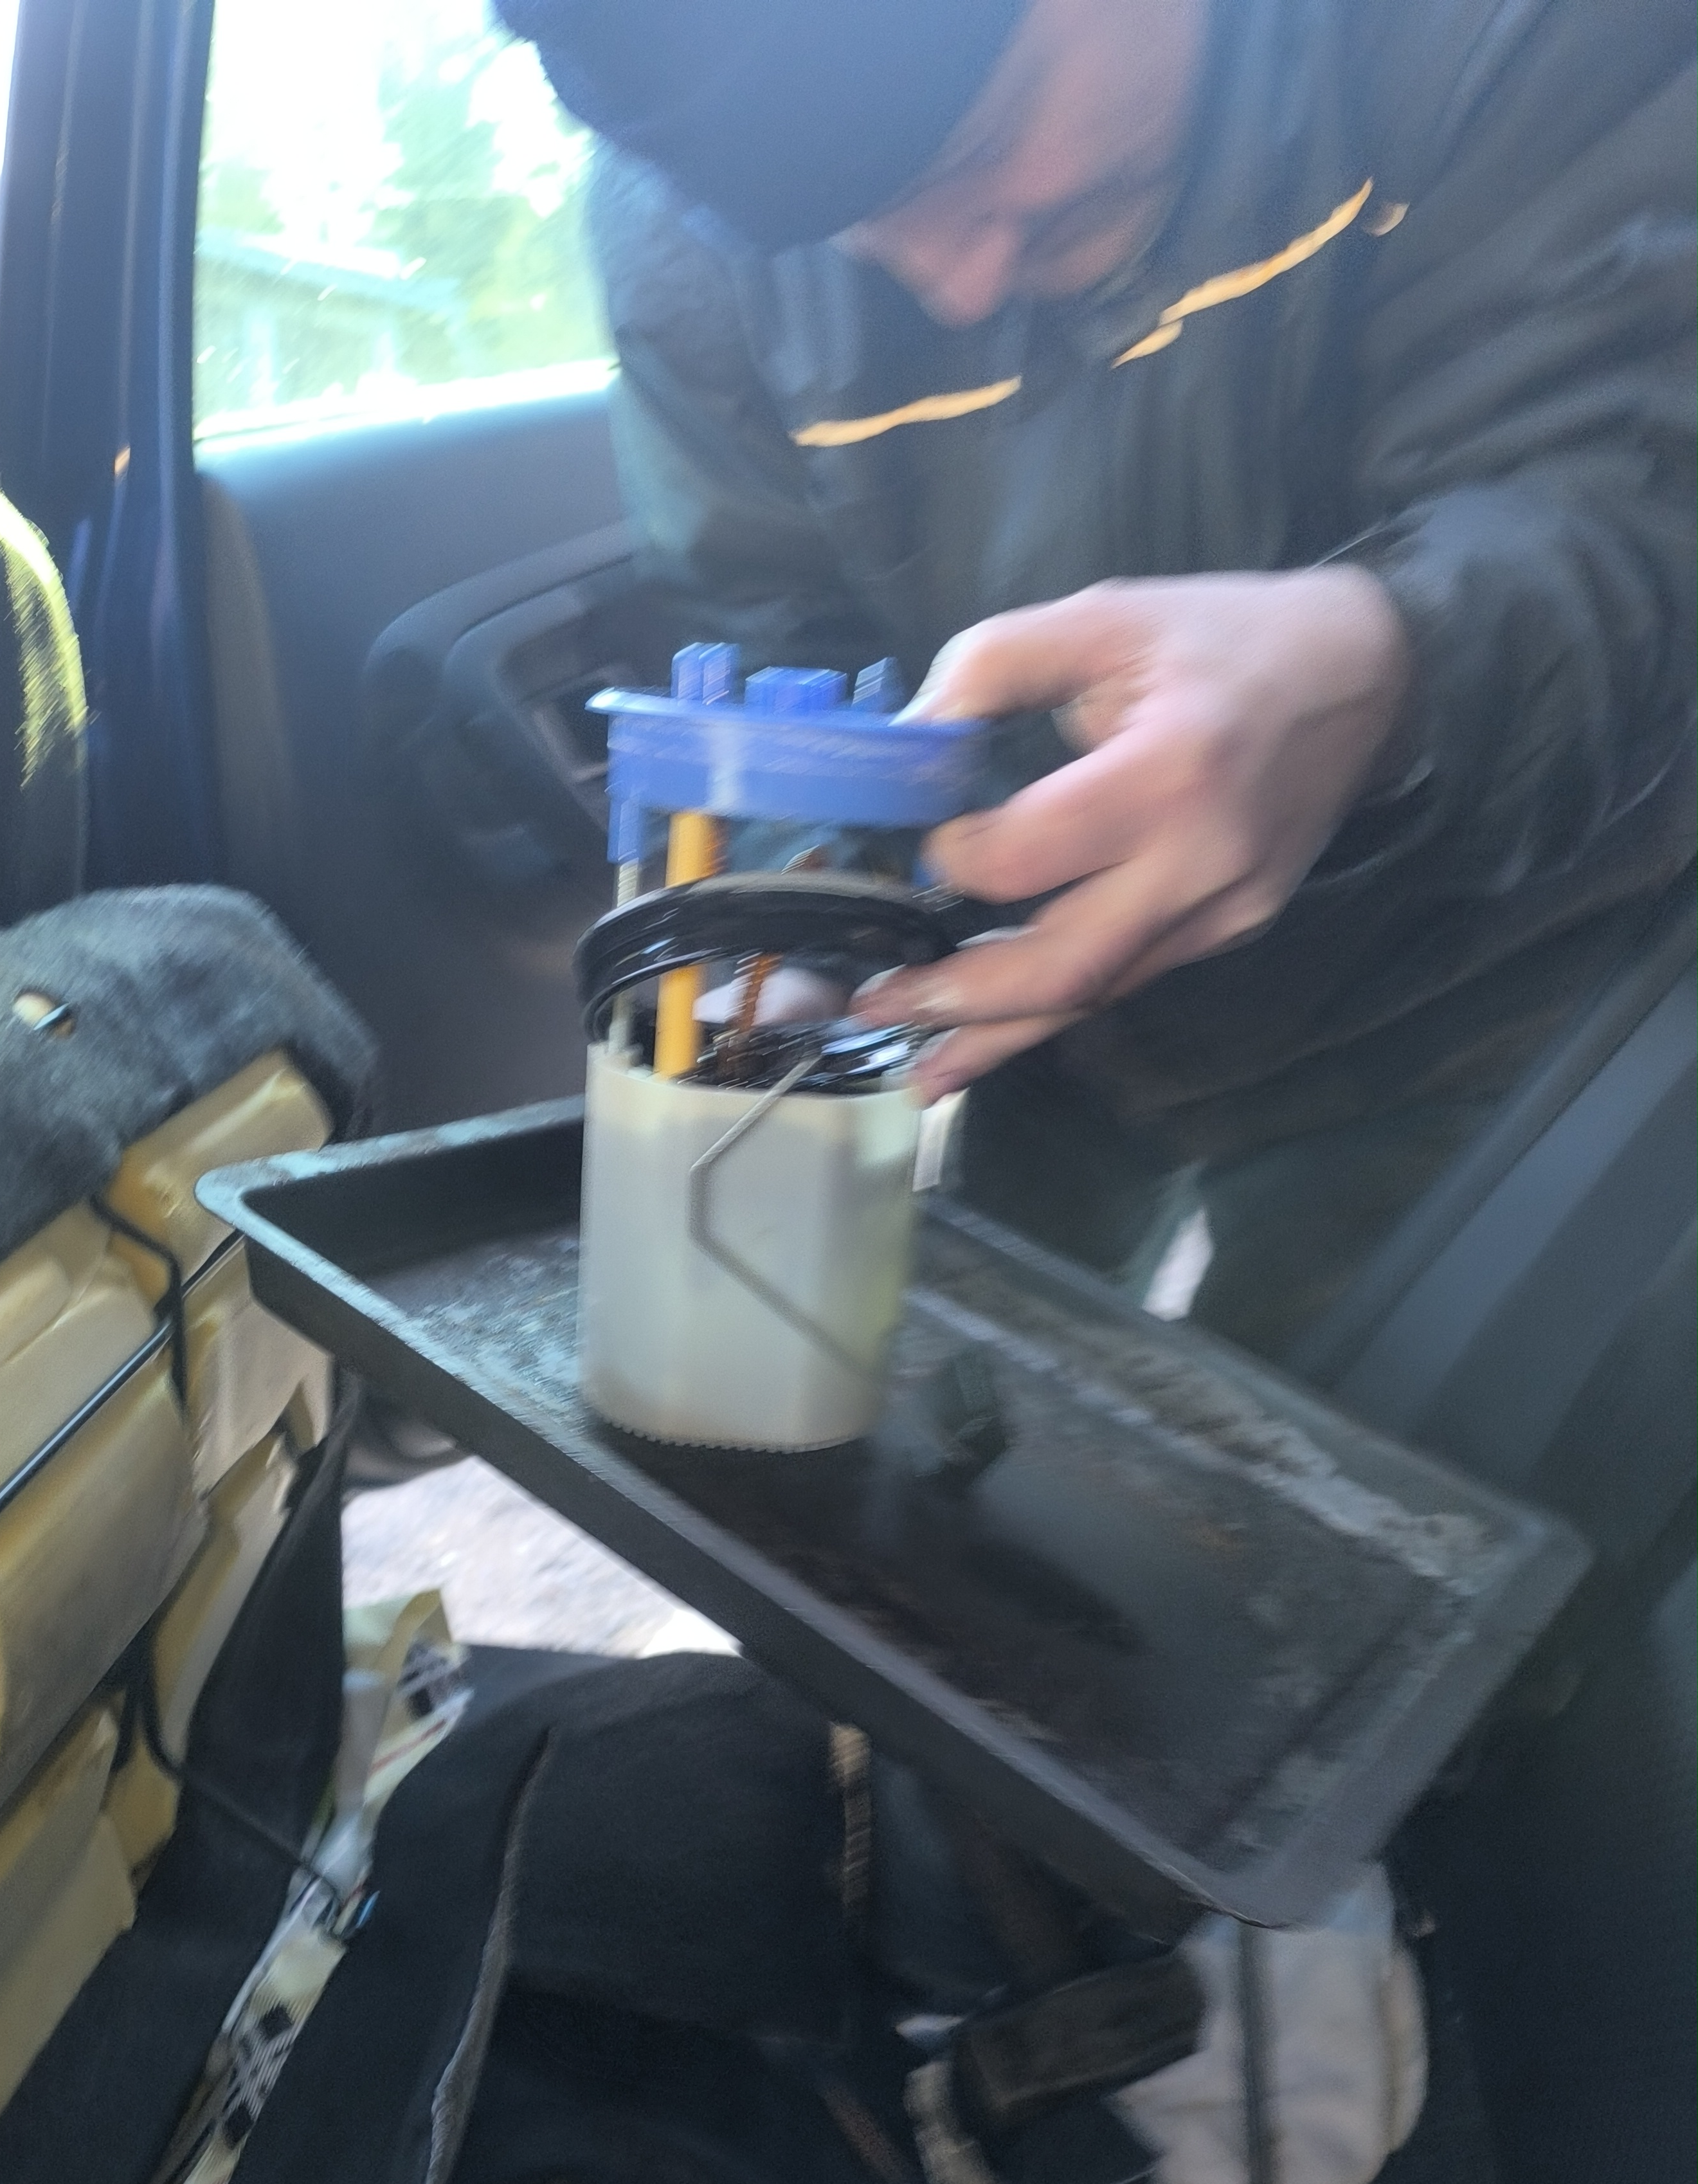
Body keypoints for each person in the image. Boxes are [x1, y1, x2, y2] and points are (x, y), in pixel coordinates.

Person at [497, 0, 1698, 1352]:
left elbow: (1634, 501)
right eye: (851, 231)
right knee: (922, 1421)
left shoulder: (1509, 32)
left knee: (1350, 1441)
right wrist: (798, 927)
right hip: (1017, 1004)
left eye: (983, 142)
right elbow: (784, 640)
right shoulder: (687, 217)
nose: (955, 289)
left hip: (1491, 971)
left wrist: (1393, 661)